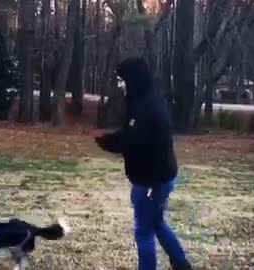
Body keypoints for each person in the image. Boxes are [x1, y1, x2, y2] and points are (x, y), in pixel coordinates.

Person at [94, 57, 192, 270]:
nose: (120, 84)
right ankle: (181, 263)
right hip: (159, 177)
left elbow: (134, 142)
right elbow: (130, 135)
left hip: (152, 181)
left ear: (133, 79)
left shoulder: (147, 108)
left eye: (122, 80)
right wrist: (110, 139)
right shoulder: (143, 101)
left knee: (143, 232)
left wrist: (110, 143)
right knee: (156, 222)